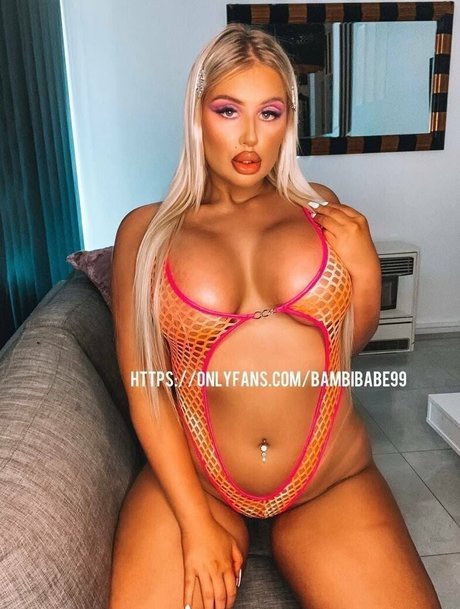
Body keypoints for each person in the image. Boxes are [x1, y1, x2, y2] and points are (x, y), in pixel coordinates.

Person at [108, 23, 441, 609]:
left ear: (288, 120)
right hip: (201, 485)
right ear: (197, 115)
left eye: (269, 113)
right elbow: (149, 392)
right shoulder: (146, 232)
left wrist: (364, 265)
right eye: (228, 110)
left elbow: (345, 346)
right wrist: (195, 524)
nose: (250, 136)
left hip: (329, 480)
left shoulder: (322, 210)